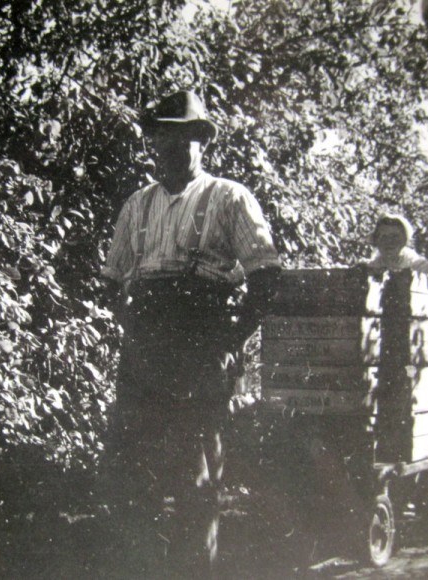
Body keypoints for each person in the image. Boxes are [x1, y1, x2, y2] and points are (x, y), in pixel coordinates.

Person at [98, 90, 280, 577]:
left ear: (202, 142)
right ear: (152, 142)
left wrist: (229, 341)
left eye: (183, 138)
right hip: (144, 348)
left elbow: (266, 278)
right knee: (131, 472)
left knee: (195, 474)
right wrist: (133, 332)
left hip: (201, 340)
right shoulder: (137, 205)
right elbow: (112, 282)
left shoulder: (228, 197)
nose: (170, 149)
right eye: (161, 138)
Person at [364, 213, 428, 273]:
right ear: (376, 241)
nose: (389, 242)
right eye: (384, 237)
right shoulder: (371, 267)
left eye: (394, 237)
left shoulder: (418, 266)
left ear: (404, 241)